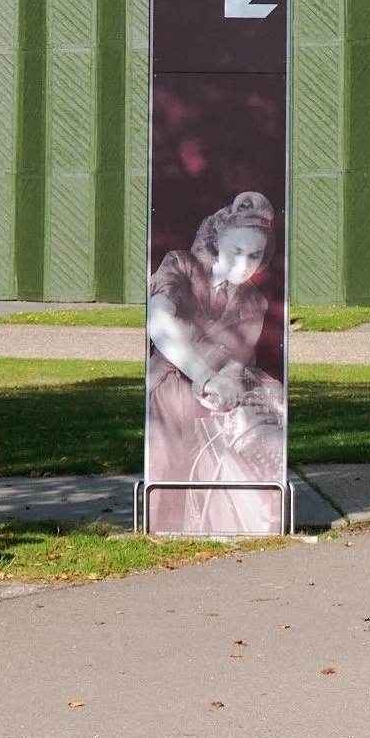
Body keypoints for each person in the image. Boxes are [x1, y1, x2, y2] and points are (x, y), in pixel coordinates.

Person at [145, 190, 287, 534]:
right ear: (217, 239)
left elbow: (237, 363)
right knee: (167, 471)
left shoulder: (254, 302)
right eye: (235, 252)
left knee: (225, 475)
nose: (244, 265)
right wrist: (205, 376)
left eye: (254, 256)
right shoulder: (180, 264)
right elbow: (158, 322)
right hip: (167, 395)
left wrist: (223, 382)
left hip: (213, 405)